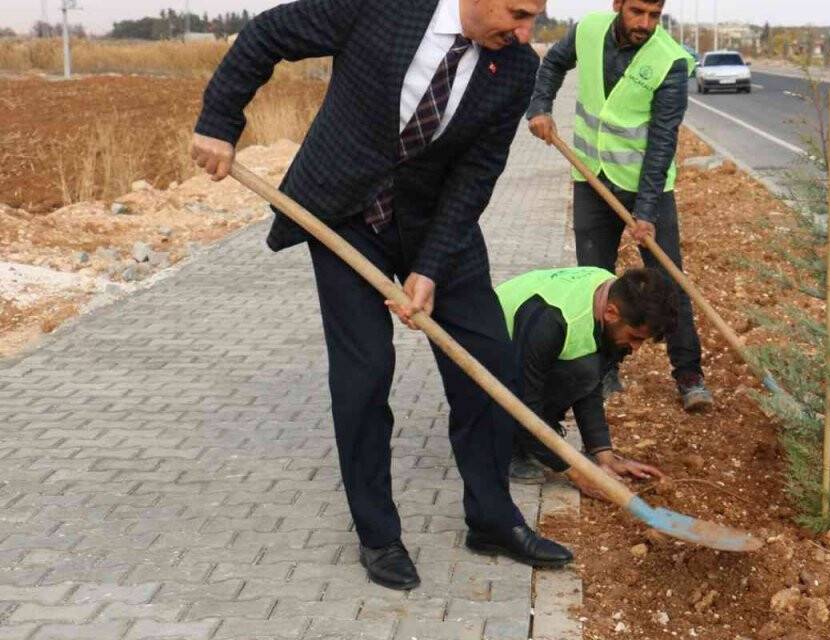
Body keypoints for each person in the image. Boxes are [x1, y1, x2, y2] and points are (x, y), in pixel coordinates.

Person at [189, 0, 573, 591]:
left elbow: (477, 173)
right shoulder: (382, 7)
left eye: (535, 18)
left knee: (491, 362)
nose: (526, 33)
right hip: (343, 215)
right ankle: (378, 534)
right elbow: (268, 35)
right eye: (518, 13)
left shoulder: (515, 68)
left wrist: (431, 268)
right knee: (365, 373)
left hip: (436, 223)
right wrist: (219, 120)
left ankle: (492, 517)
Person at [525, 0, 714, 412]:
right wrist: (540, 106)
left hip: (646, 187)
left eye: (654, 15)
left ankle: (688, 373)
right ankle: (603, 369)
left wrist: (645, 211)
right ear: (617, 5)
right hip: (591, 177)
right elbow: (553, 64)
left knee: (668, 279)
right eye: (637, 12)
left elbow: (663, 140)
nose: (644, 23)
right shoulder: (589, 29)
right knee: (594, 278)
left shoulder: (670, 61)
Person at [495, 267, 671, 495]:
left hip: (526, 352)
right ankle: (510, 446)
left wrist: (605, 457)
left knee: (585, 369)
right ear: (611, 313)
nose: (636, 348)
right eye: (635, 338)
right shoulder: (550, 321)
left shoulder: (611, 294)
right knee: (569, 374)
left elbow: (590, 384)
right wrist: (576, 472)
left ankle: (536, 441)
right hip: (484, 361)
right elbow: (524, 402)